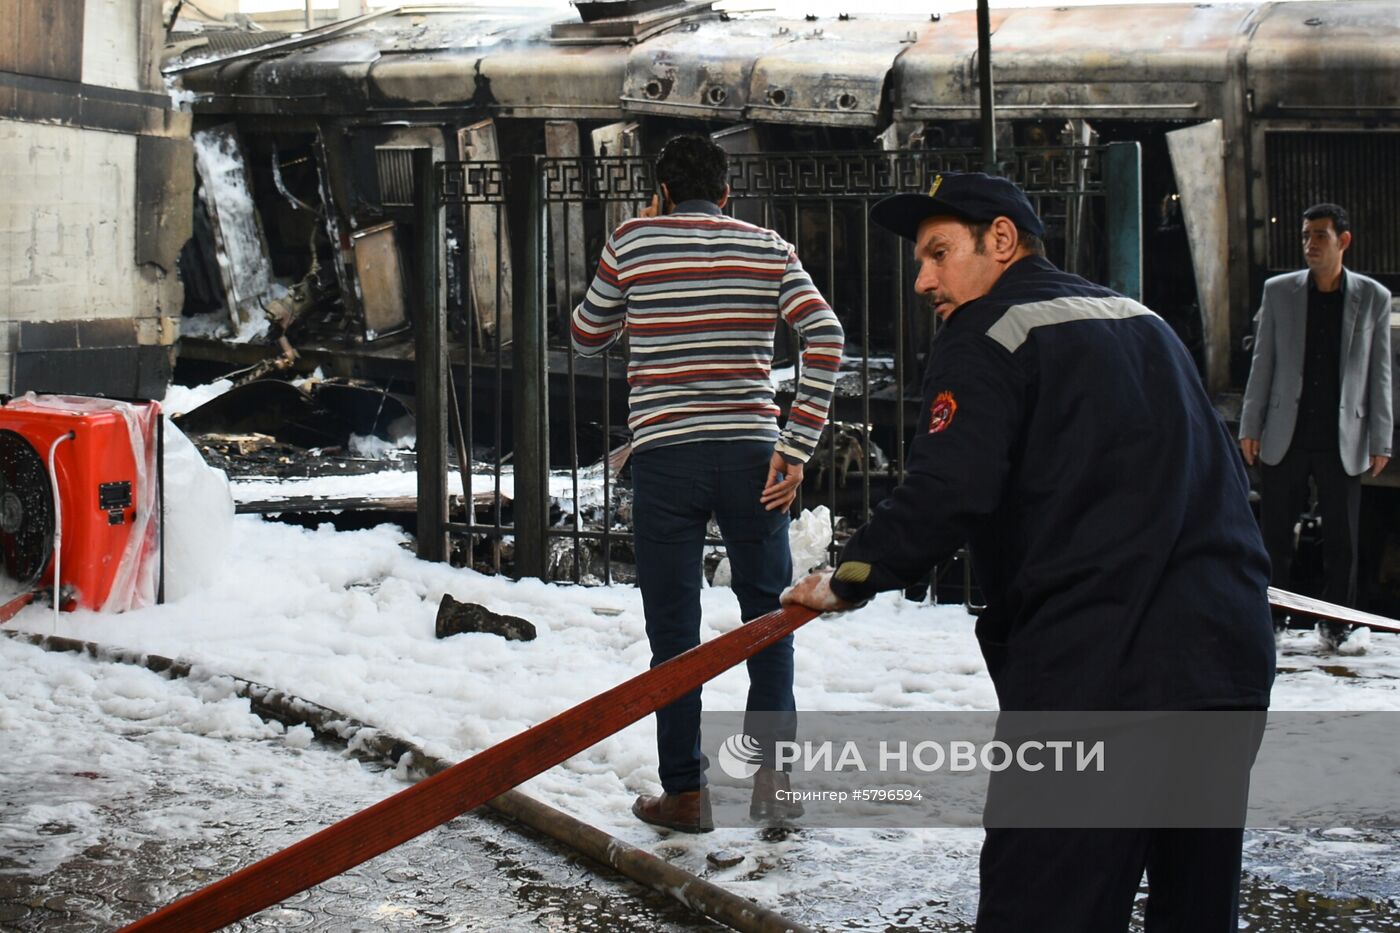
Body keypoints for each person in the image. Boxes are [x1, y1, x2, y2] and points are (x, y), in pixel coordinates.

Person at [781, 172, 1276, 930]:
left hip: (1099, 672)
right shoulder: (1141, 321)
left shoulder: (989, 329)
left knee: (1043, 903)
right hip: (1227, 661)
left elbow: (951, 486)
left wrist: (852, 574)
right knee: (1195, 906)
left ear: (1002, 241)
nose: (924, 280)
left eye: (940, 253)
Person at [571, 135, 845, 832]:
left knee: (674, 630)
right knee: (772, 617)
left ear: (661, 190)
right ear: (727, 193)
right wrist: (798, 442)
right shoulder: (768, 246)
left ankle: (687, 794)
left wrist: (640, 261)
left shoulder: (633, 239)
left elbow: (585, 333)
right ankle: (775, 784)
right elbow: (826, 335)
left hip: (665, 458)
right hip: (756, 458)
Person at [1238, 203, 1393, 646]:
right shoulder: (1279, 291)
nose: (1310, 244)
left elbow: (1380, 374)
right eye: (1306, 235)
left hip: (1342, 437)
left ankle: (1336, 625)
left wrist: (1381, 438)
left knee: (1343, 544)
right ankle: (1271, 620)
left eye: (1320, 236)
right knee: (1274, 538)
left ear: (1343, 241)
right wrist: (1250, 425)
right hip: (1286, 432)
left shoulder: (1373, 297)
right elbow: (1262, 363)